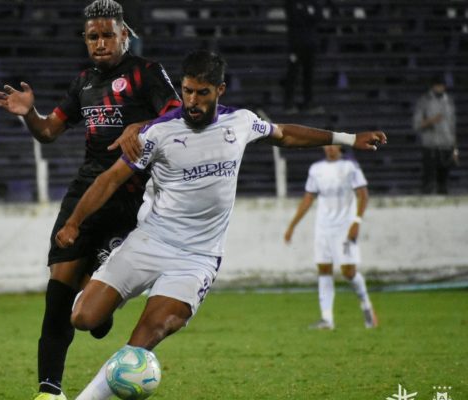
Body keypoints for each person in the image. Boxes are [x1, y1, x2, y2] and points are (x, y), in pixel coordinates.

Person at [54, 50, 387, 399]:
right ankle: (105, 298)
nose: (192, 101)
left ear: (220, 90)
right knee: (82, 318)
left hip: (196, 258)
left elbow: (285, 133)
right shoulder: (158, 133)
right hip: (149, 241)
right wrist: (74, 222)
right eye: (187, 91)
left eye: (202, 93)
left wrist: (349, 139)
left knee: (143, 340)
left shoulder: (240, 123)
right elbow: (110, 179)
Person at [0, 1, 181, 399]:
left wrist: (141, 124)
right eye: (92, 36)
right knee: (58, 292)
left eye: (107, 34)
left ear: (123, 34)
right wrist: (29, 113)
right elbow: (48, 132)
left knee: (91, 313)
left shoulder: (146, 72)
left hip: (128, 198)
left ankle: (101, 312)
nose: (99, 42)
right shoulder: (83, 83)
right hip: (84, 196)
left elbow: (177, 114)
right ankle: (49, 391)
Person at [284, 145, 377, 330]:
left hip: (345, 226)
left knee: (348, 272)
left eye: (333, 144)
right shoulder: (316, 169)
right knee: (324, 269)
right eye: (327, 144)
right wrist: (292, 226)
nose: (330, 148)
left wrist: (356, 222)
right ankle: (327, 319)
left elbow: (363, 195)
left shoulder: (351, 167)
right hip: (323, 227)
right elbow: (308, 199)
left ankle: (366, 306)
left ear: (340, 146)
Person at [412, 76, 458, 194]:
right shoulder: (424, 101)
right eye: (438, 85)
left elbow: (452, 126)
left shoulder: (448, 101)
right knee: (429, 181)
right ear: (433, 86)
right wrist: (431, 121)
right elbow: (417, 124)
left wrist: (455, 149)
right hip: (431, 145)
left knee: (443, 181)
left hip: (446, 144)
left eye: (442, 85)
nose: (440, 87)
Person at [283, 0, 324, 115]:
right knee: (293, 74)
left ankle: (308, 103)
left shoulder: (312, 2)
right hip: (296, 44)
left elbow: (319, 16)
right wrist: (309, 14)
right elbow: (295, 18)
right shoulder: (292, 2)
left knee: (309, 75)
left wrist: (307, 15)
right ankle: (288, 104)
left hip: (310, 43)